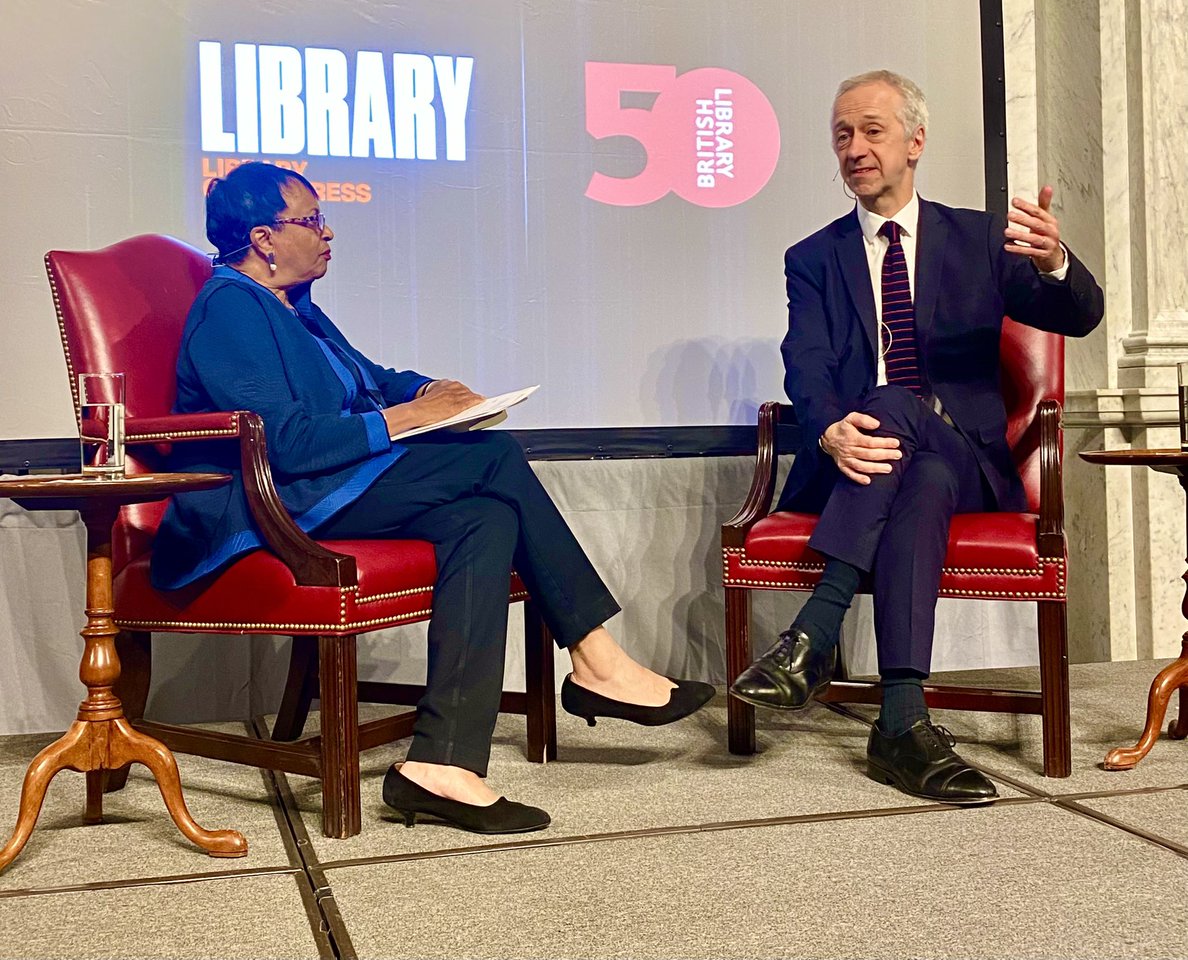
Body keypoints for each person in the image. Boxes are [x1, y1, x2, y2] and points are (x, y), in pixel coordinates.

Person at [154, 162, 713, 835]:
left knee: (484, 514)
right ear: (264, 239)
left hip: (326, 486)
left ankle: (440, 766)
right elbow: (288, 444)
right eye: (311, 220)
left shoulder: (292, 304)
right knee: (496, 460)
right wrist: (408, 420)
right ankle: (597, 658)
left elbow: (371, 380)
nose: (329, 232)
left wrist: (433, 395)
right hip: (269, 501)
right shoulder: (228, 308)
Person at [730, 70, 1103, 804]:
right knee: (914, 471)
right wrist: (831, 431)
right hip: (868, 461)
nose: (854, 148)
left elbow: (1080, 315)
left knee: (904, 413)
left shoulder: (977, 238)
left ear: (916, 141)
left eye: (872, 130)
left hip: (970, 462)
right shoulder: (813, 257)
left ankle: (812, 632)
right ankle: (902, 721)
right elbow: (803, 362)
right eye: (842, 134)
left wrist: (1056, 260)